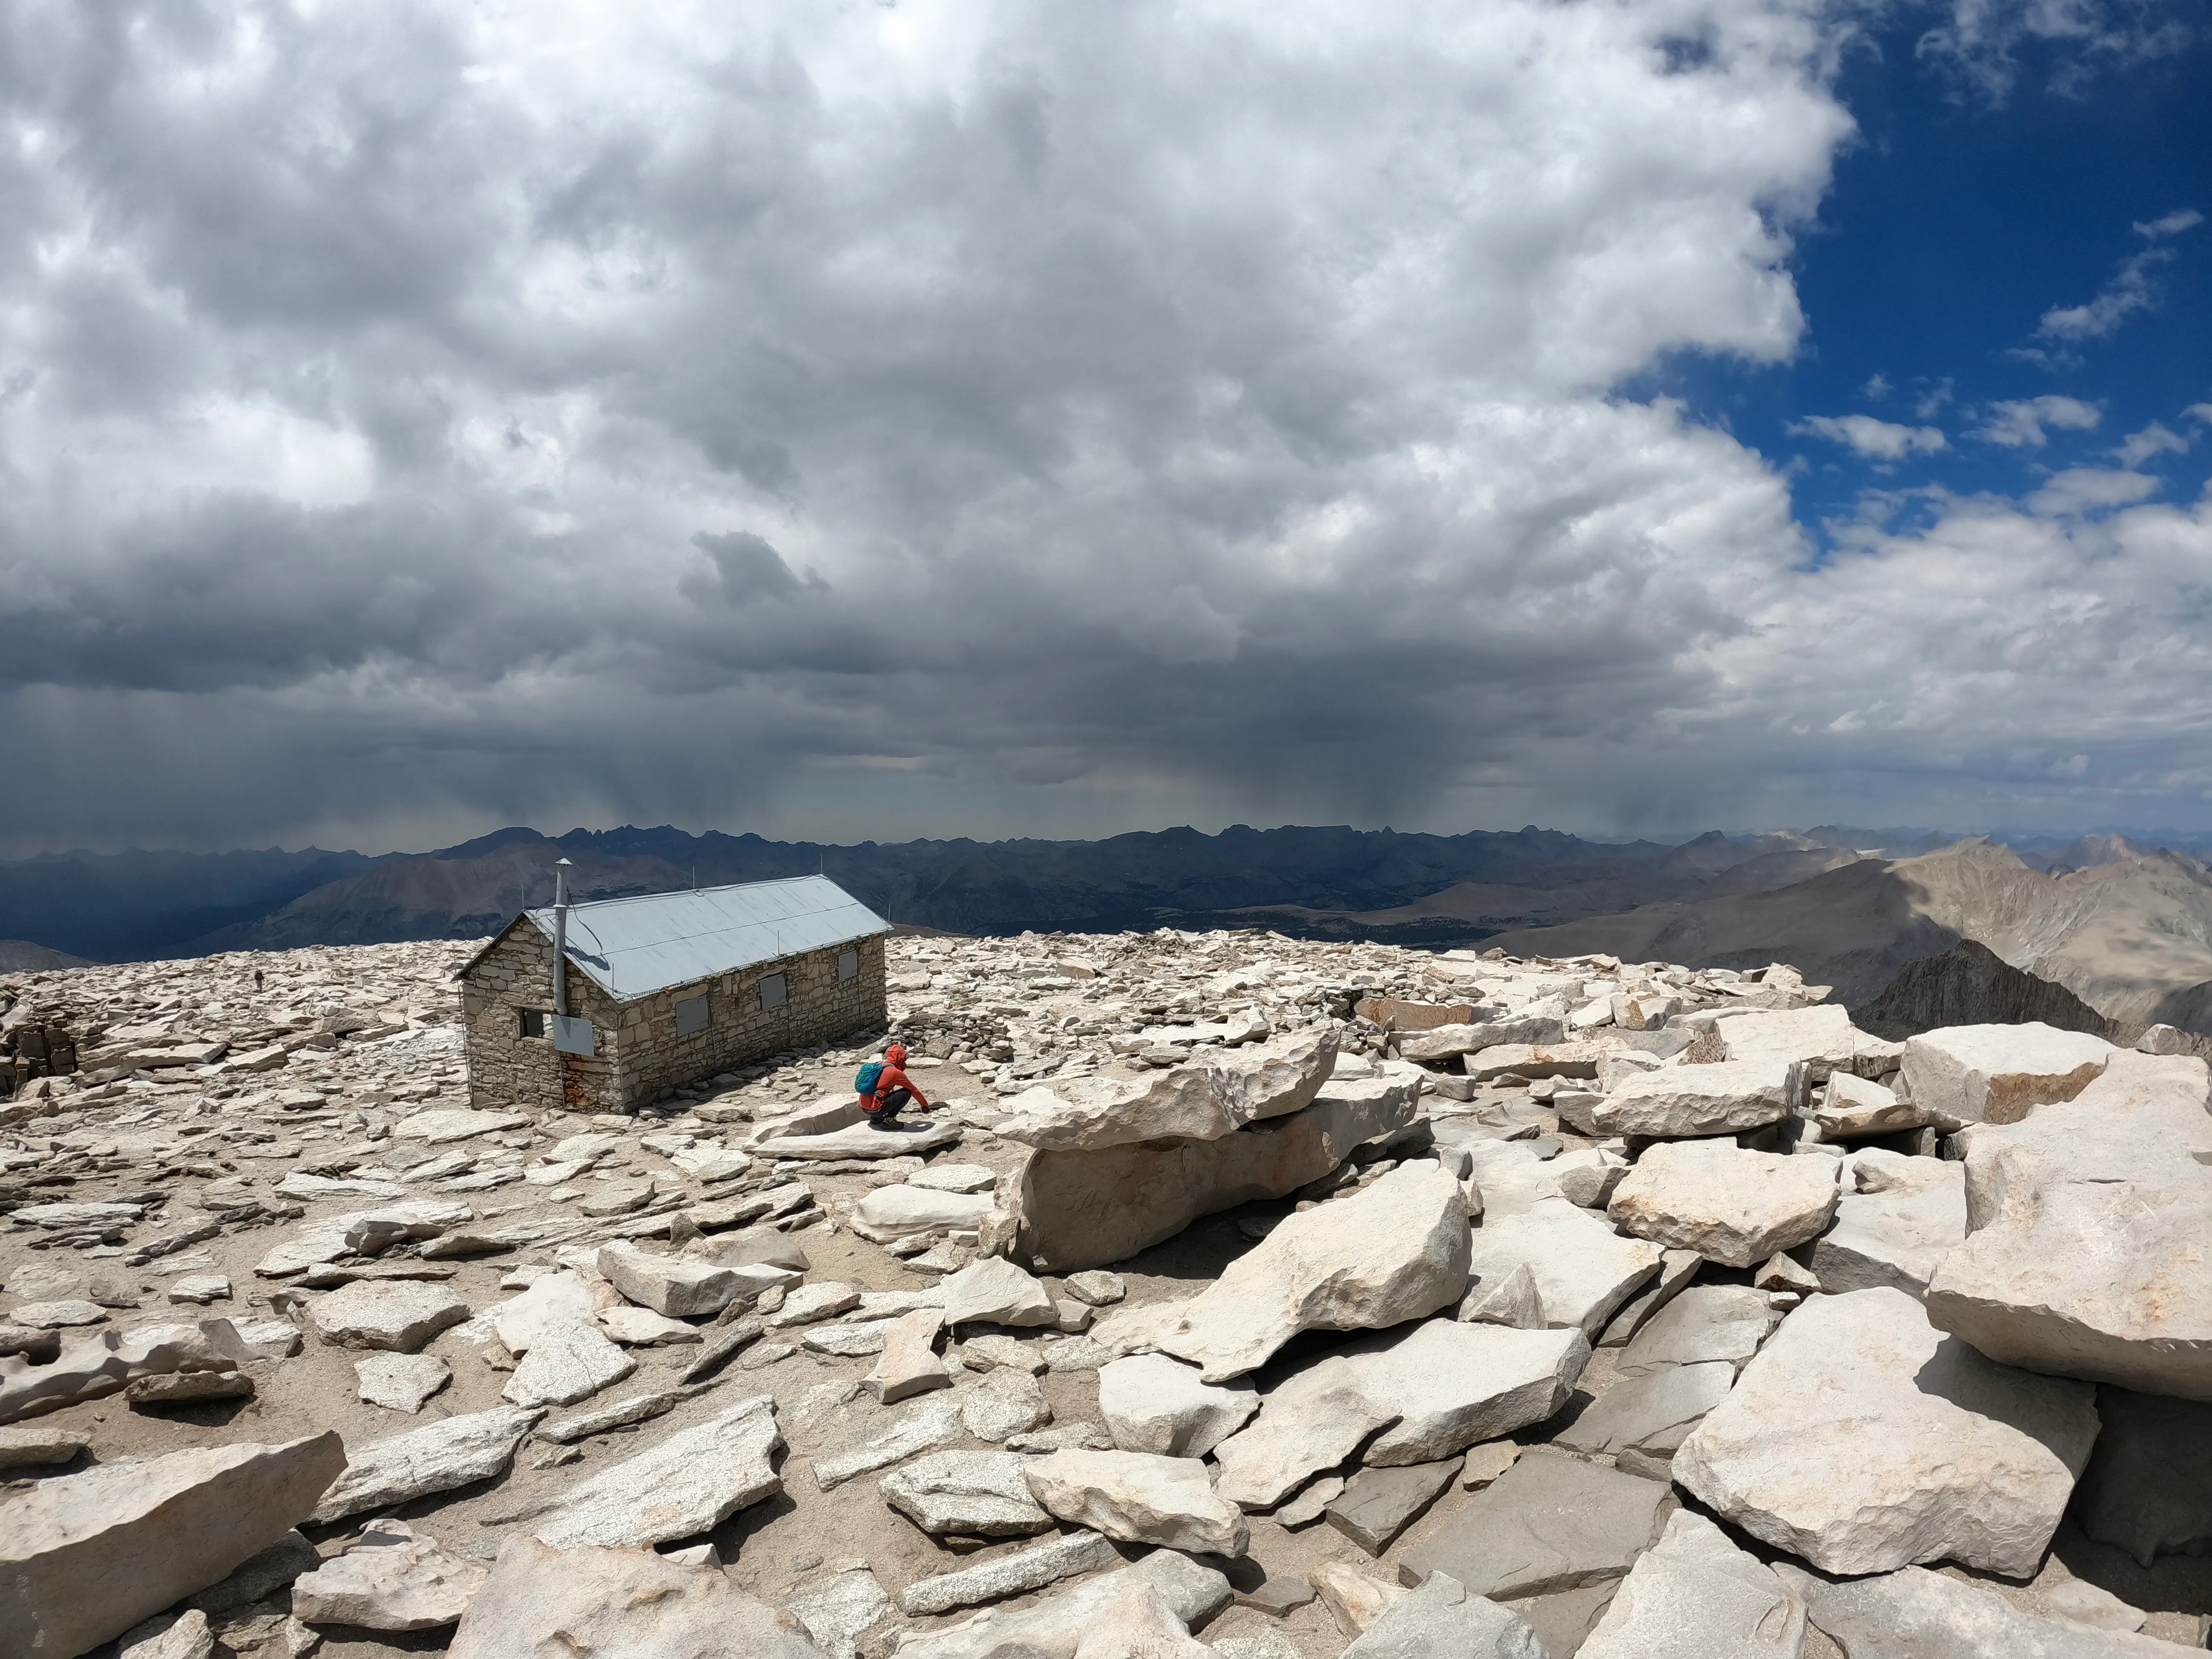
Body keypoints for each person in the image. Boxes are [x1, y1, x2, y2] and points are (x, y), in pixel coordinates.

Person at [856, 1042, 931, 1131]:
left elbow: (885, 1081)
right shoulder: (896, 1073)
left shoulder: (880, 1065)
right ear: (900, 1058)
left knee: (879, 1093)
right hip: (876, 1109)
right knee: (906, 1093)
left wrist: (900, 1069)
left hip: (864, 1108)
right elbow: (913, 1089)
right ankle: (889, 1120)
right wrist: (924, 1105)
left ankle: (876, 1119)